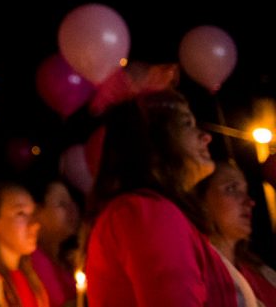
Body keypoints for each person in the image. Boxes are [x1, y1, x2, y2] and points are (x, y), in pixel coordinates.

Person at [84, 88, 234, 306]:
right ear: (154, 138)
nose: (206, 136)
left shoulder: (155, 212)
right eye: (187, 124)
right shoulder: (146, 211)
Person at [198, 160, 276, 306]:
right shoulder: (199, 277)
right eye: (232, 188)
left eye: (246, 191)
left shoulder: (261, 272)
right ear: (201, 201)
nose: (250, 202)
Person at [28, 179, 80, 307]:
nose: (72, 210)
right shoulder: (33, 259)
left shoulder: (66, 258)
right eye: (62, 204)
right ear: (36, 212)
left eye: (71, 202)